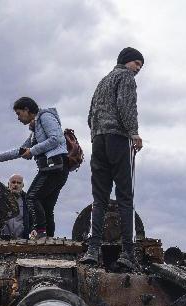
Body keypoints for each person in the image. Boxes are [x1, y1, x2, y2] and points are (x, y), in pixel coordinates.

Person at [80, 47, 144, 271]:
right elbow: (126, 106)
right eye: (137, 64)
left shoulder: (103, 81)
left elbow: (90, 115)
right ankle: (127, 252)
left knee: (100, 199)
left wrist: (97, 134)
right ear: (127, 62)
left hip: (98, 141)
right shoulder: (125, 77)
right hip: (117, 139)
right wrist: (133, 132)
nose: (138, 69)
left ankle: (93, 249)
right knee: (125, 197)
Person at [0, 97, 69, 237]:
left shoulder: (45, 116)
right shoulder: (35, 132)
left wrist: (33, 151)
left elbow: (56, 139)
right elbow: (21, 150)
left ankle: (40, 232)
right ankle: (48, 237)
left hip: (55, 166)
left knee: (31, 197)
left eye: (18, 113)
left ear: (26, 110)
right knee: (47, 205)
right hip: (53, 168)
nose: (18, 117)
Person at [0, 174, 28, 239]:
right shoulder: (0, 199)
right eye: (13, 182)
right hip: (1, 240)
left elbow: (32, 220)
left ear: (22, 185)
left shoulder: (27, 201)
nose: (16, 185)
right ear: (8, 184)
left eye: (19, 183)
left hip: (21, 240)